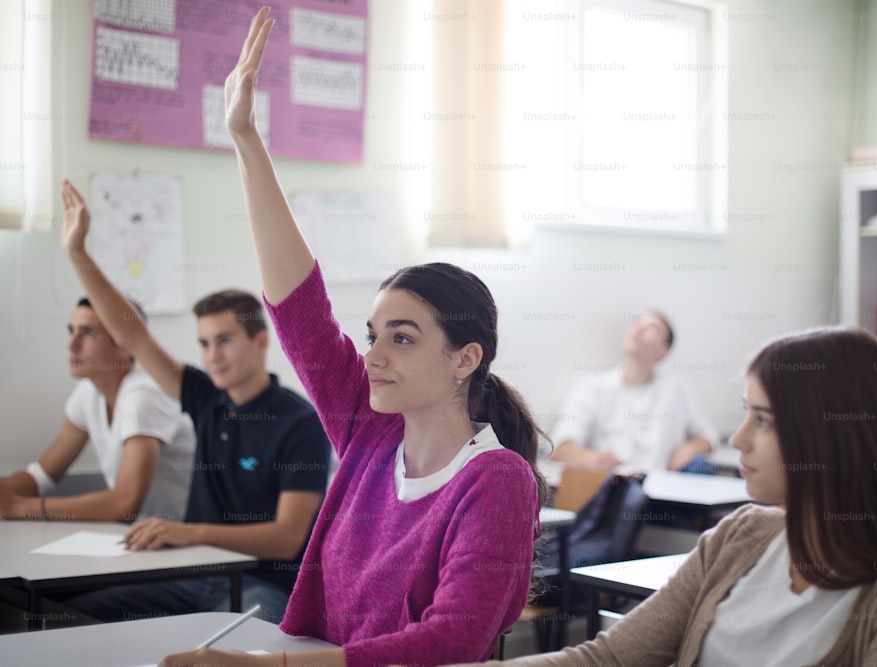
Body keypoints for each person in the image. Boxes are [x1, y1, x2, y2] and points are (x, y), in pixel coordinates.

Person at [160, 8, 546, 666]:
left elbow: (450, 639)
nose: (373, 355)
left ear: (465, 357)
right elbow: (298, 308)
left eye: (402, 338)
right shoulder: (370, 432)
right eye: (373, 335)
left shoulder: (497, 480)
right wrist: (245, 138)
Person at [451, 329, 877, 666]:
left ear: (834, 434)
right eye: (746, 413)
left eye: (764, 419)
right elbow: (608, 657)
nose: (738, 439)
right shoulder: (741, 535)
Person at [59, 181, 331, 625]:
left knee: (235, 649)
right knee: (72, 617)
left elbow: (286, 539)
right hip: (186, 575)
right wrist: (78, 255)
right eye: (204, 343)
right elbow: (132, 335)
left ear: (261, 341)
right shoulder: (206, 398)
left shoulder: (301, 422)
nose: (212, 356)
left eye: (224, 340)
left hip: (262, 586)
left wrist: (188, 533)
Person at [0, 298, 195, 522]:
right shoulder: (88, 391)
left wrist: (21, 508)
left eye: (88, 333)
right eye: (71, 331)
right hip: (143, 541)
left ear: (125, 345)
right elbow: (43, 475)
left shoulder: (144, 395)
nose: (71, 344)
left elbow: (125, 504)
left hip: (191, 547)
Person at [548, 310, 717, 471]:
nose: (639, 328)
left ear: (664, 350)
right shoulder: (591, 388)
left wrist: (690, 448)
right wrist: (595, 460)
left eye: (652, 328)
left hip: (662, 491)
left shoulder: (676, 390)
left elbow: (709, 437)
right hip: (612, 489)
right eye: (637, 323)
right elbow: (560, 448)